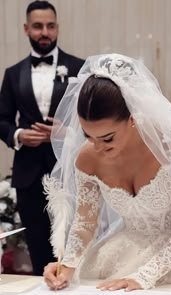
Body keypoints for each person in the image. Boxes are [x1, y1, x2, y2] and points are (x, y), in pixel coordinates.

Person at [43, 53, 171, 291]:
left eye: (107, 138)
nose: (98, 148)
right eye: (89, 136)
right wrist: (67, 265)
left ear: (132, 118)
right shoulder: (87, 158)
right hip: (123, 251)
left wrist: (146, 274)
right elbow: (85, 222)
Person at [0, 0, 85, 275]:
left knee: (73, 245)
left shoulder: (79, 68)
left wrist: (66, 134)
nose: (44, 32)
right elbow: (1, 120)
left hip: (70, 171)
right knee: (38, 247)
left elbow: (93, 120)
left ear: (57, 27)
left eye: (50, 26)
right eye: (38, 26)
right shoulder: (12, 75)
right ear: (26, 29)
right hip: (28, 175)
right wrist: (19, 134)